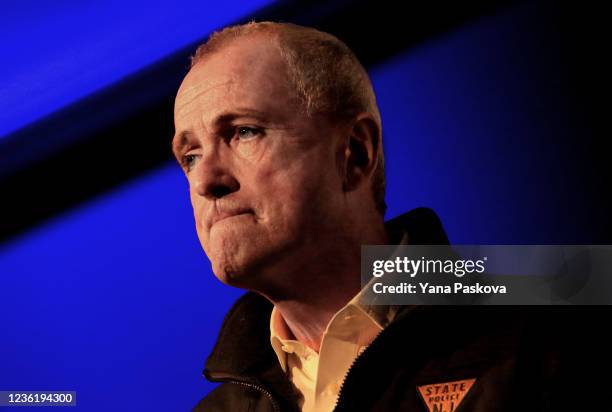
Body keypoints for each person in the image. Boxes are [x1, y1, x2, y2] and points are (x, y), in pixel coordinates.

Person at [172, 21, 593, 412]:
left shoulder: (555, 306)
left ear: (355, 152)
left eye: (244, 131)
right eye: (190, 157)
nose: (205, 180)